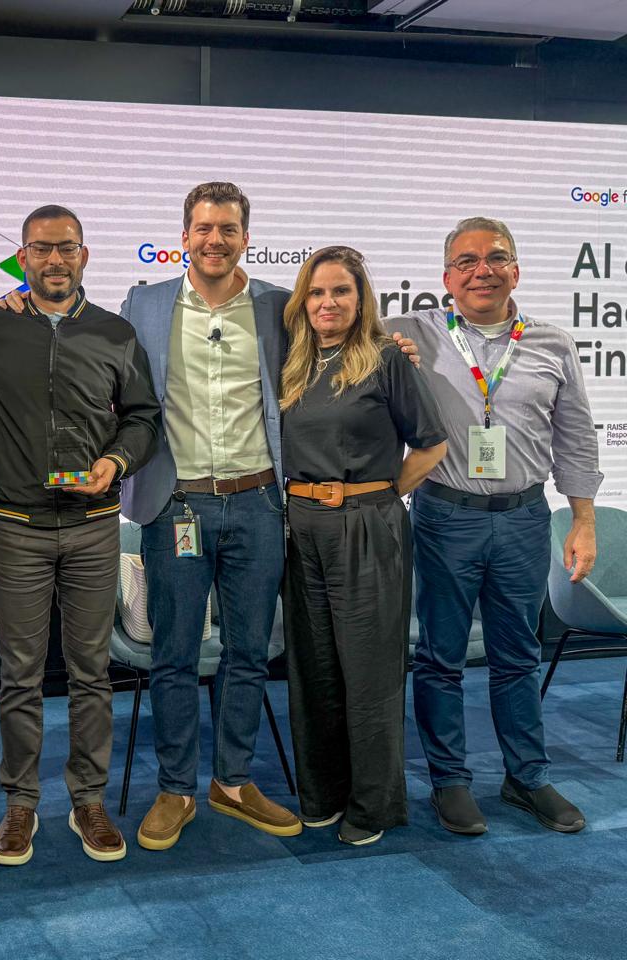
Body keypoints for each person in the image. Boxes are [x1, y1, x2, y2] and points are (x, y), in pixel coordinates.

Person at [395, 217, 601, 836]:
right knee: (440, 657)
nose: (481, 270)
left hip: (524, 519)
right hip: (444, 516)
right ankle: (449, 781)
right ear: (446, 278)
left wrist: (583, 519)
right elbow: (331, 335)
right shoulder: (411, 332)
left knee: (518, 656)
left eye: (496, 258)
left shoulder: (553, 344)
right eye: (467, 261)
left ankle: (526, 777)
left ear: (516, 271)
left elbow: (575, 436)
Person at [0, 205, 161, 866]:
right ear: (22, 256)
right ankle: (20, 804)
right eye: (41, 248)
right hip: (15, 528)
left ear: (85, 255)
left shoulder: (113, 331)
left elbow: (142, 416)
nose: (55, 260)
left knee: (91, 673)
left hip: (94, 528)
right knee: (20, 676)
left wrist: (116, 461)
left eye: (66, 248)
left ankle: (88, 801)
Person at [118, 181, 303, 849]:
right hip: (177, 505)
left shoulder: (280, 306)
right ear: (184, 236)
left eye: (227, 229)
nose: (215, 240)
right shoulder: (144, 304)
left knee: (248, 652)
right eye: (203, 228)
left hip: (259, 503)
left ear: (246, 238)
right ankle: (175, 789)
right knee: (173, 655)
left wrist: (398, 347)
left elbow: (338, 350)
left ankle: (232, 782)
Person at [279, 246, 446, 846]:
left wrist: (381, 497)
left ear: (360, 298)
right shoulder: (292, 363)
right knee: (314, 668)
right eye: (317, 292)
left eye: (341, 291)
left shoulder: (386, 358)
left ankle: (372, 805)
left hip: (366, 526)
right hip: (300, 526)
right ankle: (322, 795)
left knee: (369, 672)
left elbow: (431, 444)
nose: (328, 302)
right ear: (303, 301)